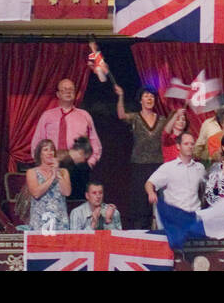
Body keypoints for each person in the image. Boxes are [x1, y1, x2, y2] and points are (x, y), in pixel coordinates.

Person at [114, 84, 164, 228]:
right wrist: (121, 96)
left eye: (152, 96)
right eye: (146, 95)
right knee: (140, 203)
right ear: (140, 100)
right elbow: (121, 115)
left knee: (159, 202)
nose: (149, 98)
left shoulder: (162, 119)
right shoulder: (135, 118)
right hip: (139, 166)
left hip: (158, 165)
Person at [31, 78, 103, 165]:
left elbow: (94, 142)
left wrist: (90, 163)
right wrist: (42, 165)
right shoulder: (47, 116)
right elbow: (38, 142)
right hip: (52, 165)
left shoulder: (85, 115)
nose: (68, 91)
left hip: (77, 166)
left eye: (71, 89)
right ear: (58, 94)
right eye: (64, 89)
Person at [146, 131, 205, 221]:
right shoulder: (168, 167)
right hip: (175, 216)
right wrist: (151, 193)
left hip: (195, 215)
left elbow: (205, 189)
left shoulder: (200, 168)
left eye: (192, 144)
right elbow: (149, 183)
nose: (190, 146)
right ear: (178, 146)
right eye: (186, 144)